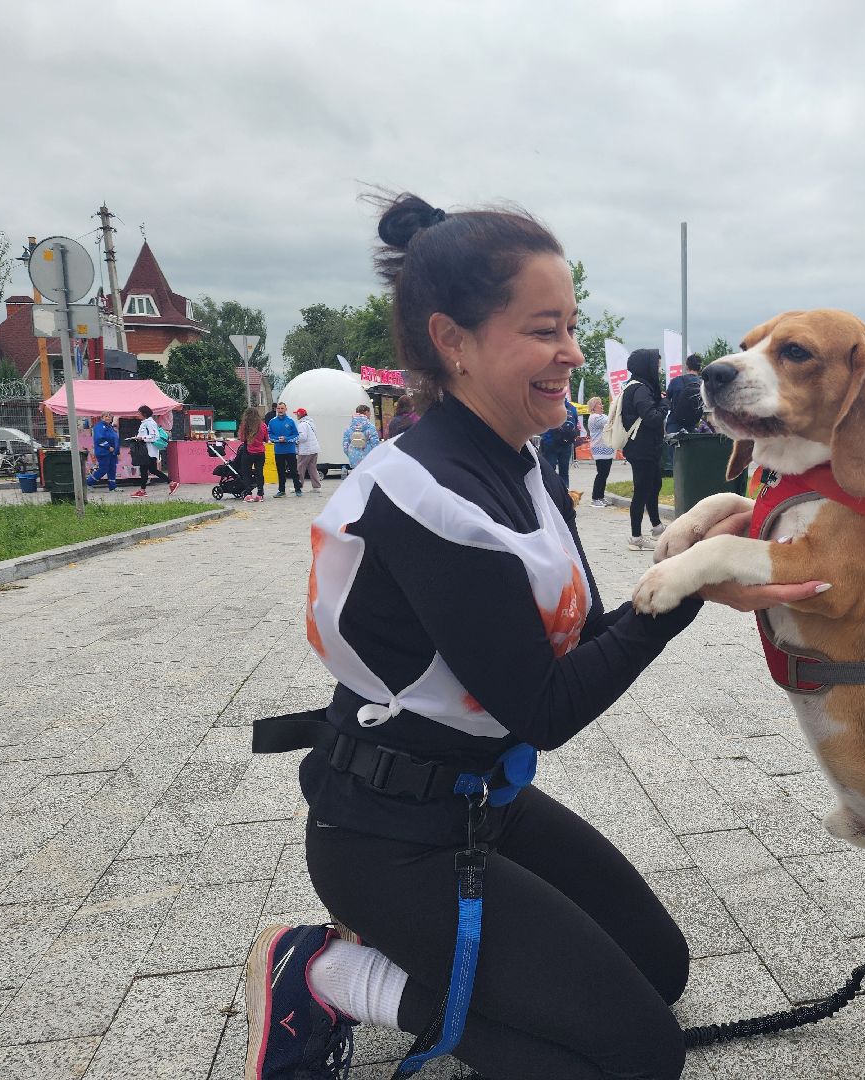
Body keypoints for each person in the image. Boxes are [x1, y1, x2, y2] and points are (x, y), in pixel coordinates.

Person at [242, 193, 822, 1080]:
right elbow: (546, 706)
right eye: (544, 330)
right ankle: (325, 973)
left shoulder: (516, 457)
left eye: (573, 327)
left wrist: (693, 569)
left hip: (481, 800)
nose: (571, 355)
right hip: (390, 835)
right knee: (636, 1058)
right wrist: (691, 587)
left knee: (660, 971)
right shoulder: (430, 496)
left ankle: (417, 954)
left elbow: (578, 635)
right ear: (455, 341)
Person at [620, 348, 668, 548]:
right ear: (645, 366)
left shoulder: (638, 386)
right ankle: (636, 537)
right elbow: (652, 418)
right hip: (642, 448)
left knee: (653, 485)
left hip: (645, 447)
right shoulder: (640, 389)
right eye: (656, 365)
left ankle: (657, 527)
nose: (658, 369)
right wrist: (665, 403)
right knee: (642, 490)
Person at [130, 404, 177, 498]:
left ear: (144, 413)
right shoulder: (145, 423)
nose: (137, 414)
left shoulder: (150, 423)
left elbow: (155, 436)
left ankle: (143, 490)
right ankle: (171, 483)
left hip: (149, 451)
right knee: (152, 470)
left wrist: (141, 438)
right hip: (146, 450)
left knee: (145, 470)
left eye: (139, 413)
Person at [538, 396, 580, 489]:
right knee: (564, 472)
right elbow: (576, 424)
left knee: (549, 470)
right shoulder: (572, 407)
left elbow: (542, 423)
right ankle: (565, 493)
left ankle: (550, 492)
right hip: (567, 443)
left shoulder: (548, 405)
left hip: (550, 442)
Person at [268, 401, 302, 497]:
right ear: (276, 409)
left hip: (290, 450)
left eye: (282, 408)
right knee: (280, 471)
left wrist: (286, 439)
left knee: (293, 471)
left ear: (286, 409)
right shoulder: (272, 421)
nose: (280, 410)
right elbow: (269, 435)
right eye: (278, 408)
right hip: (278, 451)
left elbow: (296, 435)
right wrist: (278, 440)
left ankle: (298, 489)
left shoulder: (291, 421)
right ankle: (281, 490)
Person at [664, 354, 705, 435]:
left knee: (673, 445)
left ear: (687, 366)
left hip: (674, 424)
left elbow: (666, 400)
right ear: (700, 368)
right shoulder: (703, 384)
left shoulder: (676, 381)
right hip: (691, 425)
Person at [586, 395, 614, 507]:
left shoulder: (602, 416)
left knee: (605, 474)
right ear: (593, 407)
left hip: (607, 449)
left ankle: (601, 497)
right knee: (601, 474)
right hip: (599, 449)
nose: (602, 406)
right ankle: (595, 498)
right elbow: (611, 421)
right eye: (599, 404)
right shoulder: (595, 417)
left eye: (601, 403)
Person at [235, 406, 267, 503]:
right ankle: (260, 494)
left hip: (248, 451)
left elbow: (242, 439)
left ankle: (248, 494)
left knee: (246, 473)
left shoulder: (245, 425)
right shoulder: (263, 425)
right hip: (260, 452)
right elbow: (266, 439)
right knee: (259, 473)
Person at [85, 412, 120, 491]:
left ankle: (113, 487)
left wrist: (117, 451)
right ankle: (88, 483)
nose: (108, 418)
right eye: (106, 416)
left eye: (110, 416)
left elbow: (115, 438)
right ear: (102, 418)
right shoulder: (99, 426)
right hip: (103, 452)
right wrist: (108, 447)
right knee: (103, 469)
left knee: (112, 469)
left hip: (112, 453)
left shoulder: (110, 427)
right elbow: (99, 439)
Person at [294, 406, 323, 494]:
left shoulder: (302, 424)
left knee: (300, 467)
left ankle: (299, 486)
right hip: (314, 449)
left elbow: (303, 437)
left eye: (297, 414)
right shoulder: (310, 423)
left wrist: (296, 441)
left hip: (306, 450)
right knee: (312, 468)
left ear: (299, 415)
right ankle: (317, 487)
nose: (296, 416)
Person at [343, 404, 380, 470]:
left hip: (353, 459)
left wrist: (351, 454)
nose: (370, 415)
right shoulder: (371, 427)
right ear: (366, 412)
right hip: (368, 460)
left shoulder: (349, 428)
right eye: (370, 413)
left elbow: (345, 445)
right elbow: (375, 445)